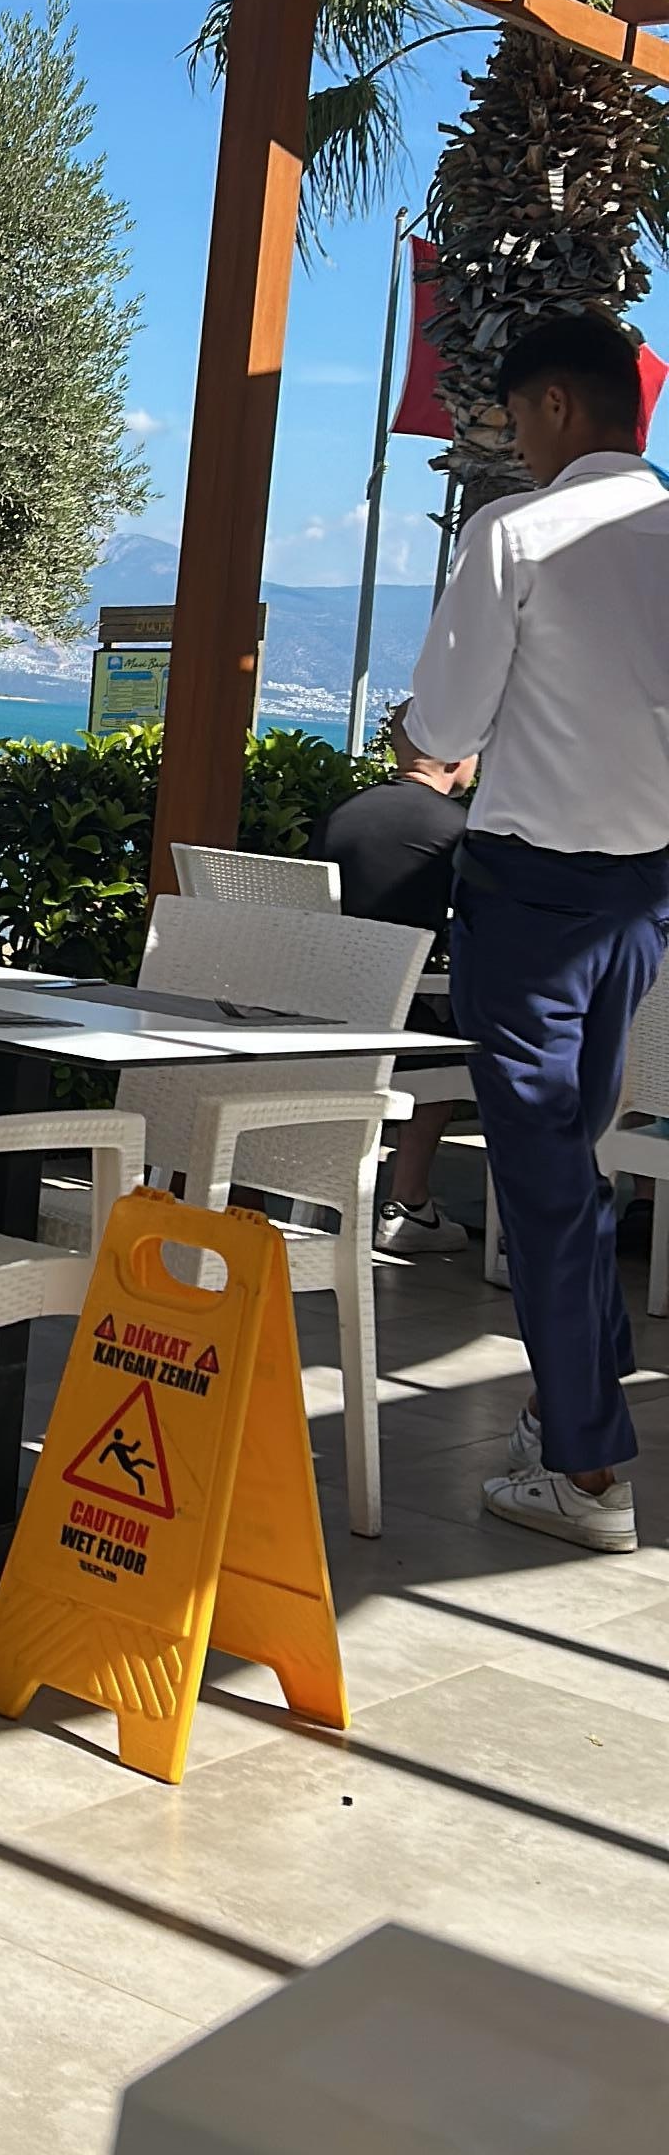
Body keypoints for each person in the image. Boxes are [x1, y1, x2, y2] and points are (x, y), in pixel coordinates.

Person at [401, 308, 669, 1549]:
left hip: (528, 893)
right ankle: (575, 1417)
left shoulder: (516, 533)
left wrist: (417, 744)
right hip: (645, 896)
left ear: (556, 406)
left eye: (512, 421)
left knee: (546, 1177)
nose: (514, 445)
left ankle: (585, 1464)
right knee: (576, 1159)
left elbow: (446, 724)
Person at [310, 717, 475, 1255]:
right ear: (455, 759)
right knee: (461, 1042)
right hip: (394, 1021)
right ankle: (409, 1203)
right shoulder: (454, 830)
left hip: (319, 1011)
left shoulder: (342, 814)